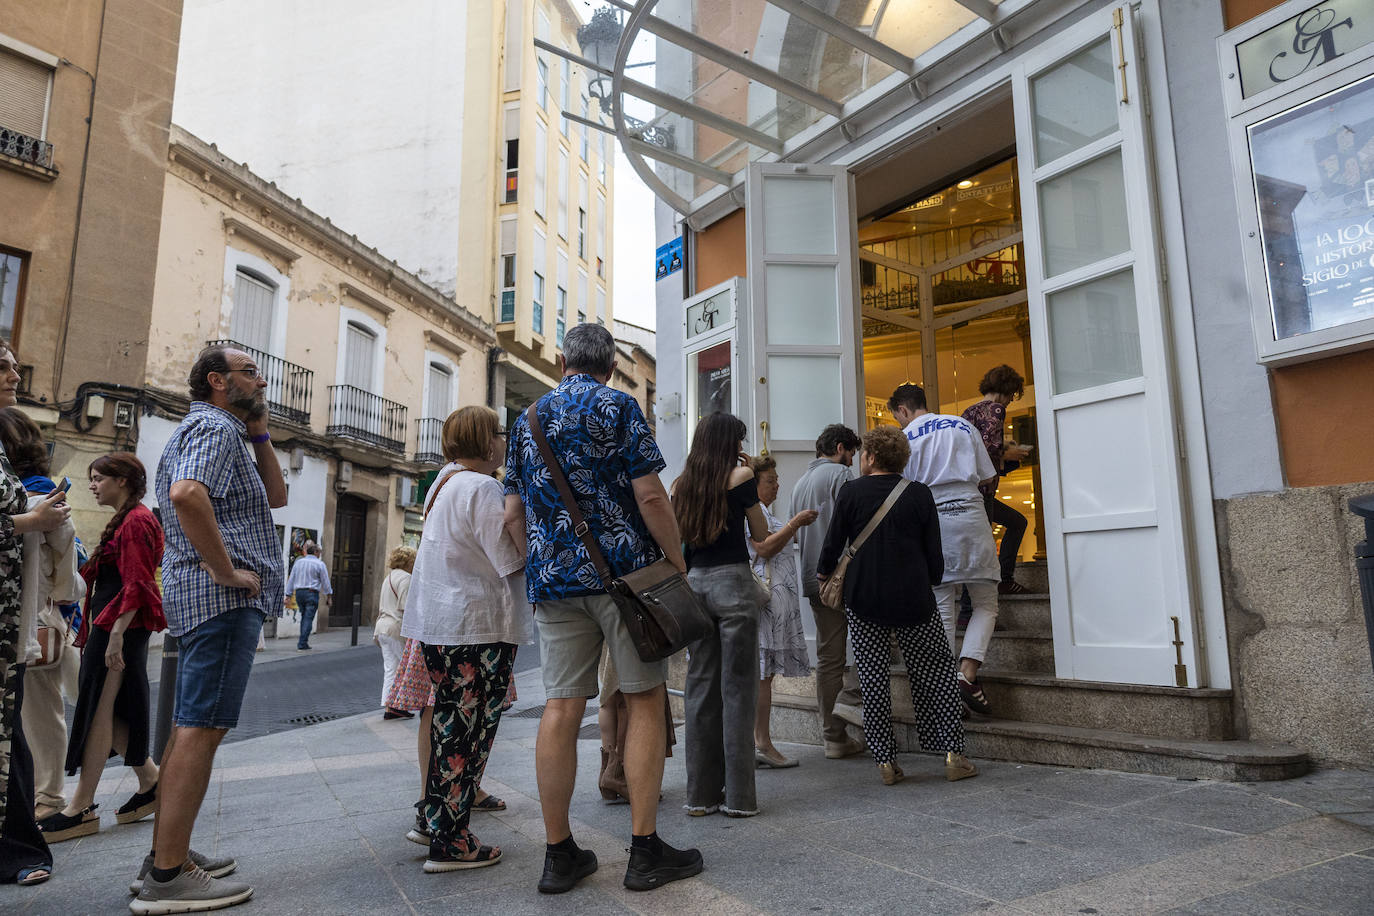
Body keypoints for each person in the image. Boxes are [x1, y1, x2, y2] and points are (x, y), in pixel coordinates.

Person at [504, 322, 702, 894]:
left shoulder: (528, 419)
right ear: (611, 366)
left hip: (556, 584)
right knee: (643, 699)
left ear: (563, 360)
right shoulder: (619, 407)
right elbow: (649, 495)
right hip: (627, 580)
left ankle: (558, 853)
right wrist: (677, 562)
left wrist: (541, 566)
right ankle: (644, 851)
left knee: (561, 708)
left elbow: (511, 514)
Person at [134, 344, 287, 913]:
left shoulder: (227, 432)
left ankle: (165, 855)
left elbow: (276, 497)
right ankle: (169, 879)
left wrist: (261, 431)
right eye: (250, 372)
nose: (262, 379)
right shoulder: (215, 429)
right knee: (201, 728)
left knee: (189, 727)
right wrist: (226, 572)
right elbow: (185, 494)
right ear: (218, 381)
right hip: (220, 600)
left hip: (205, 599)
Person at [401, 405, 531, 873]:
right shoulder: (482, 486)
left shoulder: (444, 482)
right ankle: (452, 842)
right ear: (486, 441)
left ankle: (432, 820)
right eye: (499, 433)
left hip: (442, 625)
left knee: (448, 726)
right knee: (468, 733)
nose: (503, 441)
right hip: (476, 626)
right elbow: (509, 559)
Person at [817, 425, 975, 785]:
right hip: (914, 599)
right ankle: (952, 755)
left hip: (864, 599)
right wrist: (931, 579)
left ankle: (886, 762)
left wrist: (824, 574)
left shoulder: (851, 492)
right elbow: (935, 554)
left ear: (871, 457)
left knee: (873, 681)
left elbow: (831, 546)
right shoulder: (919, 494)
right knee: (936, 676)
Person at [38, 454, 165, 844]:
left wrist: (114, 636)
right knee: (106, 710)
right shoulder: (129, 519)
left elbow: (138, 582)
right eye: (90, 479)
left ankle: (80, 808)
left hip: (117, 629)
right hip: (111, 626)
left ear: (122, 480)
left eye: (98, 479)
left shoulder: (137, 521)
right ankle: (152, 782)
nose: (92, 485)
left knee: (98, 711)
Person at [673, 413, 769, 816]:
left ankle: (700, 796)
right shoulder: (740, 479)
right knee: (738, 689)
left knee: (699, 689)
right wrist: (747, 471)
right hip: (732, 584)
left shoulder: (681, 484)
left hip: (694, 585)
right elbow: (761, 535)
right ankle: (741, 799)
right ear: (732, 442)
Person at [0, 342, 70, 886]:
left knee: (14, 732)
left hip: (9, 621)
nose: (14, 374)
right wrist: (33, 519)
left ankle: (21, 848)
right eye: (1, 365)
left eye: (15, 363)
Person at [887, 383, 1000, 717]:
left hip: (932, 519)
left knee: (941, 604)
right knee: (985, 603)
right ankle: (967, 673)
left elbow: (901, 486)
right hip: (970, 513)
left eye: (898, 417)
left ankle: (945, 687)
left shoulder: (906, 438)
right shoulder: (962, 425)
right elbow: (986, 475)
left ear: (903, 410)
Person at [0, 409, 84, 832]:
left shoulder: (35, 492)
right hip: (41, 617)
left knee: (40, 714)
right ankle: (146, 775)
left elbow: (75, 555)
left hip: (38, 618)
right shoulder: (35, 490)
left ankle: (49, 798)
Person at [790, 423, 866, 758]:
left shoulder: (799, 484)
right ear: (839, 448)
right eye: (851, 452)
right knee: (871, 642)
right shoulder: (841, 476)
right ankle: (854, 705)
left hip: (812, 578)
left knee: (828, 657)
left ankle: (832, 736)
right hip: (844, 576)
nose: (852, 461)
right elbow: (856, 525)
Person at [746, 454, 817, 769]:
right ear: (755, 484)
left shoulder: (761, 511)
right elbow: (764, 547)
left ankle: (759, 740)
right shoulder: (752, 511)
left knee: (765, 676)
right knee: (762, 676)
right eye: (770, 480)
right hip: (764, 606)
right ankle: (761, 741)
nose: (777, 485)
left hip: (774, 606)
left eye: (776, 480)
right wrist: (794, 524)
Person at [961, 365, 1033, 594]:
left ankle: (996, 585)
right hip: (983, 492)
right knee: (988, 545)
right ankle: (1001, 582)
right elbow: (988, 447)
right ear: (1006, 389)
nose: (1012, 399)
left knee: (983, 544)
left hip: (968, 489)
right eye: (1012, 394)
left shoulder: (968, 411)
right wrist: (1008, 453)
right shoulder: (996, 409)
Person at [374, 545, 414, 719]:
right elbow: (406, 607)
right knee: (403, 669)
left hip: (382, 627)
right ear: (409, 561)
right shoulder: (406, 578)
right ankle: (397, 705)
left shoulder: (389, 577)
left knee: (391, 668)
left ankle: (390, 706)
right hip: (396, 627)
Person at [283, 541, 331, 650]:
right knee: (308, 618)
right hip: (311, 593)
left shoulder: (299, 562)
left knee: (304, 616)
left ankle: (303, 642)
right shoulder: (320, 564)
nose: (320, 554)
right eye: (319, 552)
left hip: (299, 593)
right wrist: (329, 597)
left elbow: (291, 579)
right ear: (315, 552)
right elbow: (326, 582)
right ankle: (302, 643)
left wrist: (288, 595)